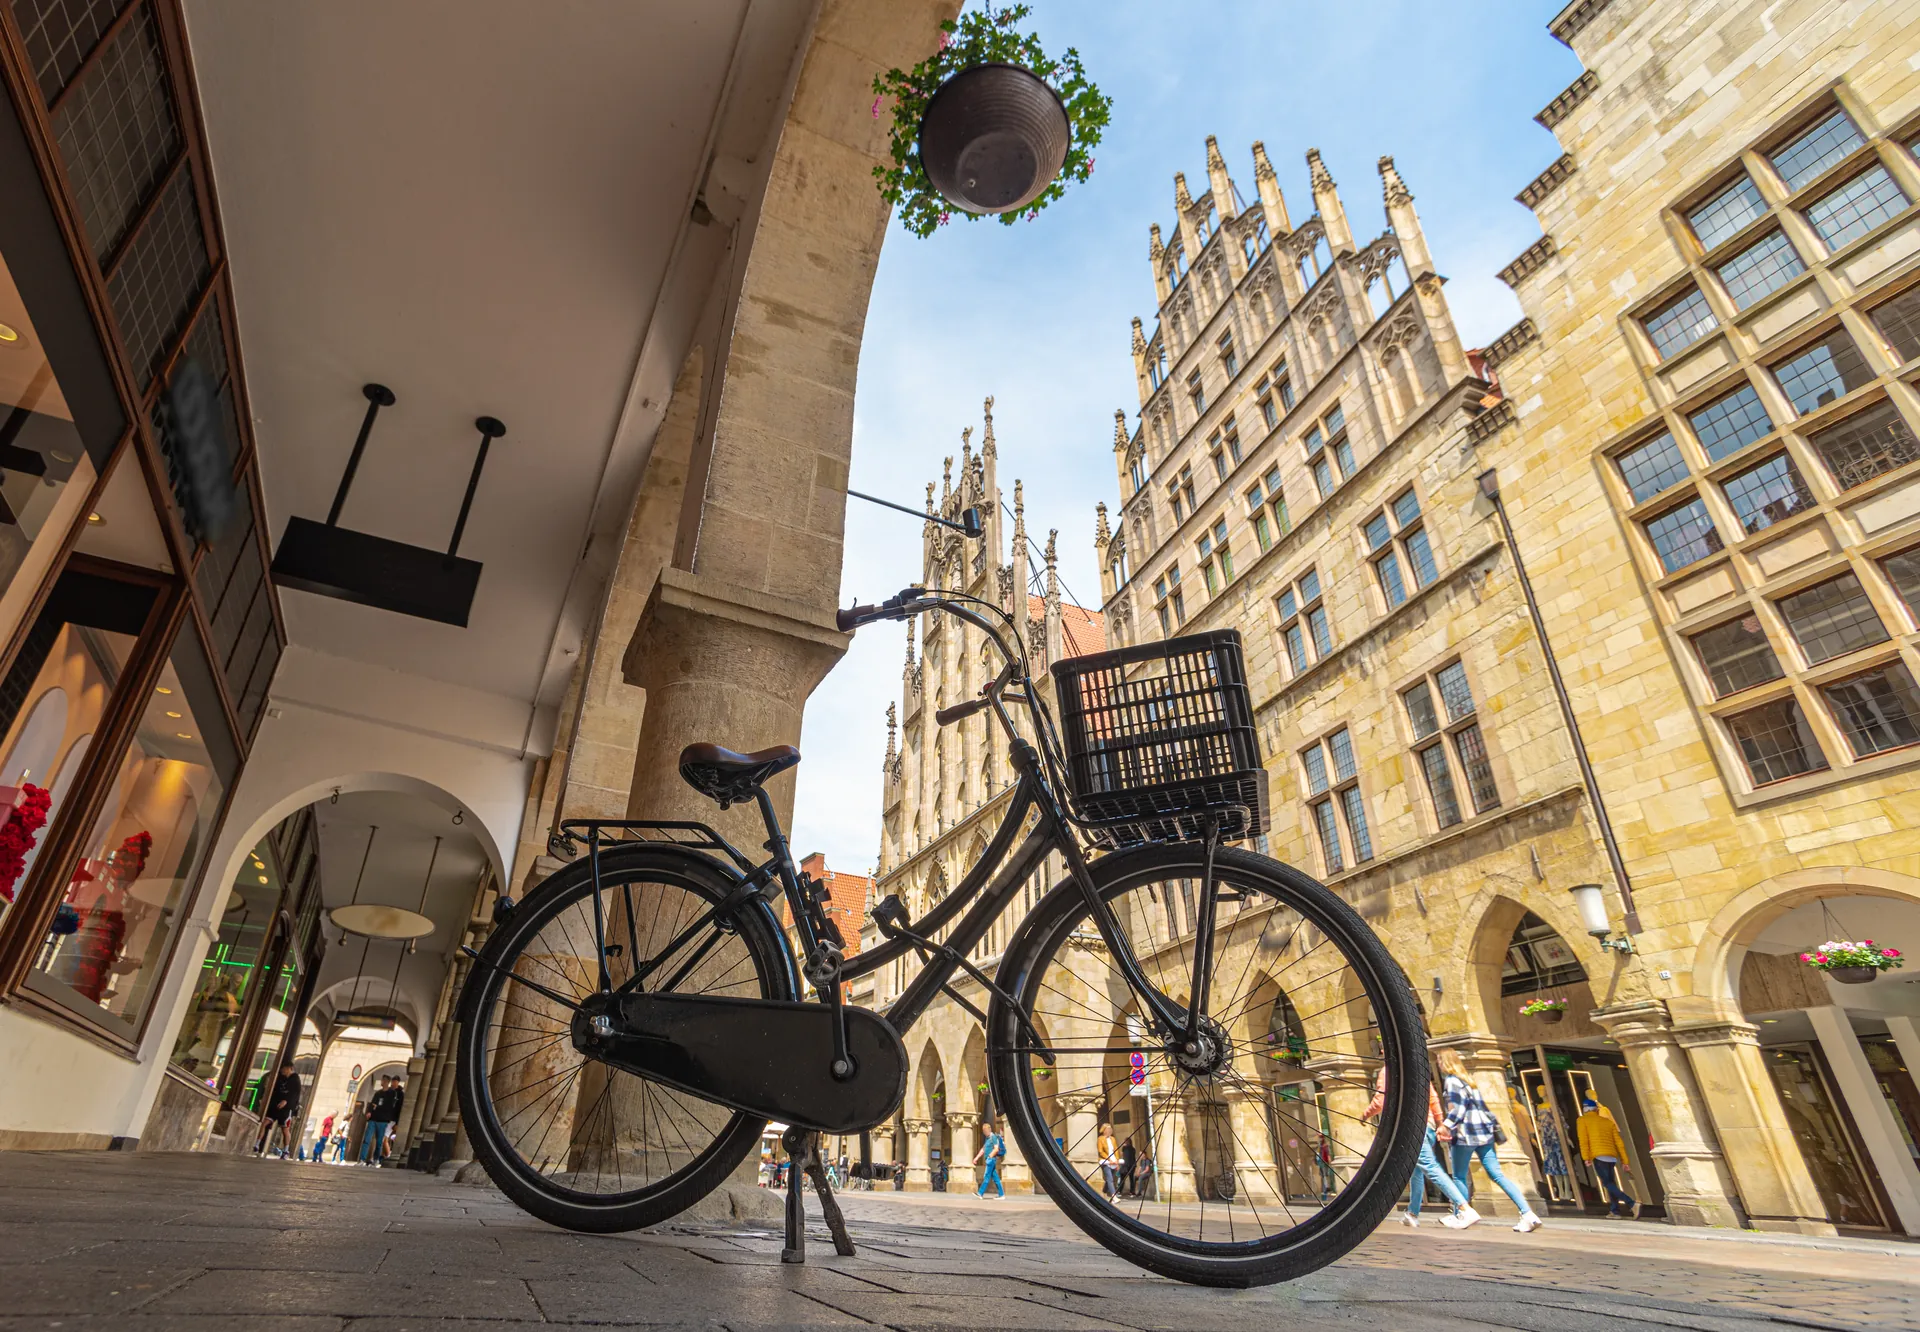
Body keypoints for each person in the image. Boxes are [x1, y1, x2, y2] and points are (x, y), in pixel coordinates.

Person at [1437, 1049, 1542, 1233]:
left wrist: (1445, 1126)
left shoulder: (1452, 1081)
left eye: (1439, 1060)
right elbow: (1484, 1108)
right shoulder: (1468, 1080)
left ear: (1446, 1062)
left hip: (1466, 1134)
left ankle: (1461, 1214)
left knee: (1459, 1176)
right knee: (1497, 1175)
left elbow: (1458, 1109)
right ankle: (1528, 1214)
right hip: (1484, 1134)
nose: (1438, 1063)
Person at [1363, 1066, 1477, 1229]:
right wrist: (1439, 1122)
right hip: (1428, 1126)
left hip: (1411, 1126)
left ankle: (1464, 1208)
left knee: (1429, 1166)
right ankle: (1412, 1214)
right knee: (1415, 1170)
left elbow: (1380, 1100)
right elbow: (1433, 1098)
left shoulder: (1388, 1069)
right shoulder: (1417, 1068)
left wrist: (1365, 1114)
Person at [1576, 1096, 1638, 1217]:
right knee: (1610, 1183)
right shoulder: (1608, 1122)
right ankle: (1615, 1211)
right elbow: (1619, 1143)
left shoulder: (1582, 1120)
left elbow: (1583, 1140)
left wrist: (1586, 1157)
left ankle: (1631, 1203)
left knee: (1607, 1183)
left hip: (1598, 1156)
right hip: (1611, 1156)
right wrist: (1625, 1161)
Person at [261, 1061, 302, 1159]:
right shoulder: (281, 1078)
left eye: (284, 1068)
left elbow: (294, 1094)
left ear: (290, 1068)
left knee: (285, 1129)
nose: (282, 1070)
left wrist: (286, 1101)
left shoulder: (295, 1080)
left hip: (286, 1109)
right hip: (275, 1106)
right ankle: (258, 1145)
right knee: (265, 1123)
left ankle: (286, 1150)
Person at [360, 1077, 398, 1166]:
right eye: (381, 1080)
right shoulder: (378, 1093)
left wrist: (377, 1107)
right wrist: (370, 1111)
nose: (382, 1082)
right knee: (367, 1139)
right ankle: (362, 1159)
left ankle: (376, 1159)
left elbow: (389, 1106)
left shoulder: (391, 1093)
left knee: (379, 1141)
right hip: (373, 1119)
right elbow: (372, 1104)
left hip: (383, 1120)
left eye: (383, 1081)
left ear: (387, 1082)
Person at [974, 1119, 1007, 1198]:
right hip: (989, 1160)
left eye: (985, 1130)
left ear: (989, 1129)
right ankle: (1001, 1195)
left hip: (991, 1160)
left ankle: (980, 1193)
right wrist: (976, 1158)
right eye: (983, 1131)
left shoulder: (993, 1137)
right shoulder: (987, 1138)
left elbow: (996, 1149)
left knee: (987, 1176)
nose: (984, 1132)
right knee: (996, 1178)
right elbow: (983, 1149)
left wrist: (990, 1157)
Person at [1096, 1121, 1120, 1199]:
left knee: (1110, 1179)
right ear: (1104, 1130)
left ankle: (1104, 1191)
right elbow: (1100, 1151)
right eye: (1108, 1129)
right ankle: (1114, 1196)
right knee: (1110, 1179)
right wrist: (1109, 1160)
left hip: (1113, 1160)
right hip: (1105, 1161)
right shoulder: (1100, 1139)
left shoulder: (1113, 1139)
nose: (1110, 1131)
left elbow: (1116, 1150)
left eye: (1110, 1129)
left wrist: (1117, 1160)